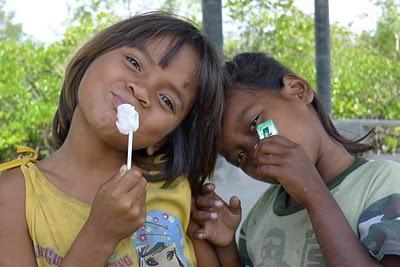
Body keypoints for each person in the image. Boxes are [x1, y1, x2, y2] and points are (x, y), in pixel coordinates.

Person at [0, 12, 224, 267]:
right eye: (134, 62)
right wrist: (99, 236)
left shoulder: (174, 189)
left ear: (162, 140)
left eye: (166, 100)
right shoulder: (13, 194)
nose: (141, 90)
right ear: (93, 57)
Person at [191, 52, 400, 266]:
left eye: (254, 123)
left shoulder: (385, 183)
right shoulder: (259, 218)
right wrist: (226, 247)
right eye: (240, 156)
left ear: (298, 91)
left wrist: (313, 192)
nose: (256, 150)